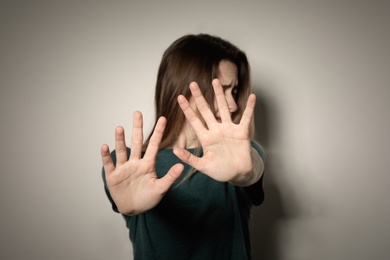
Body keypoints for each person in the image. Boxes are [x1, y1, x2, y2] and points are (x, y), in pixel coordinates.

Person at [101, 34, 266, 260]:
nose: (232, 104)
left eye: (234, 92)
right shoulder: (131, 164)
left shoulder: (240, 155)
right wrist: (127, 206)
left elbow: (252, 169)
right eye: (220, 90)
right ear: (183, 89)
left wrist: (247, 172)